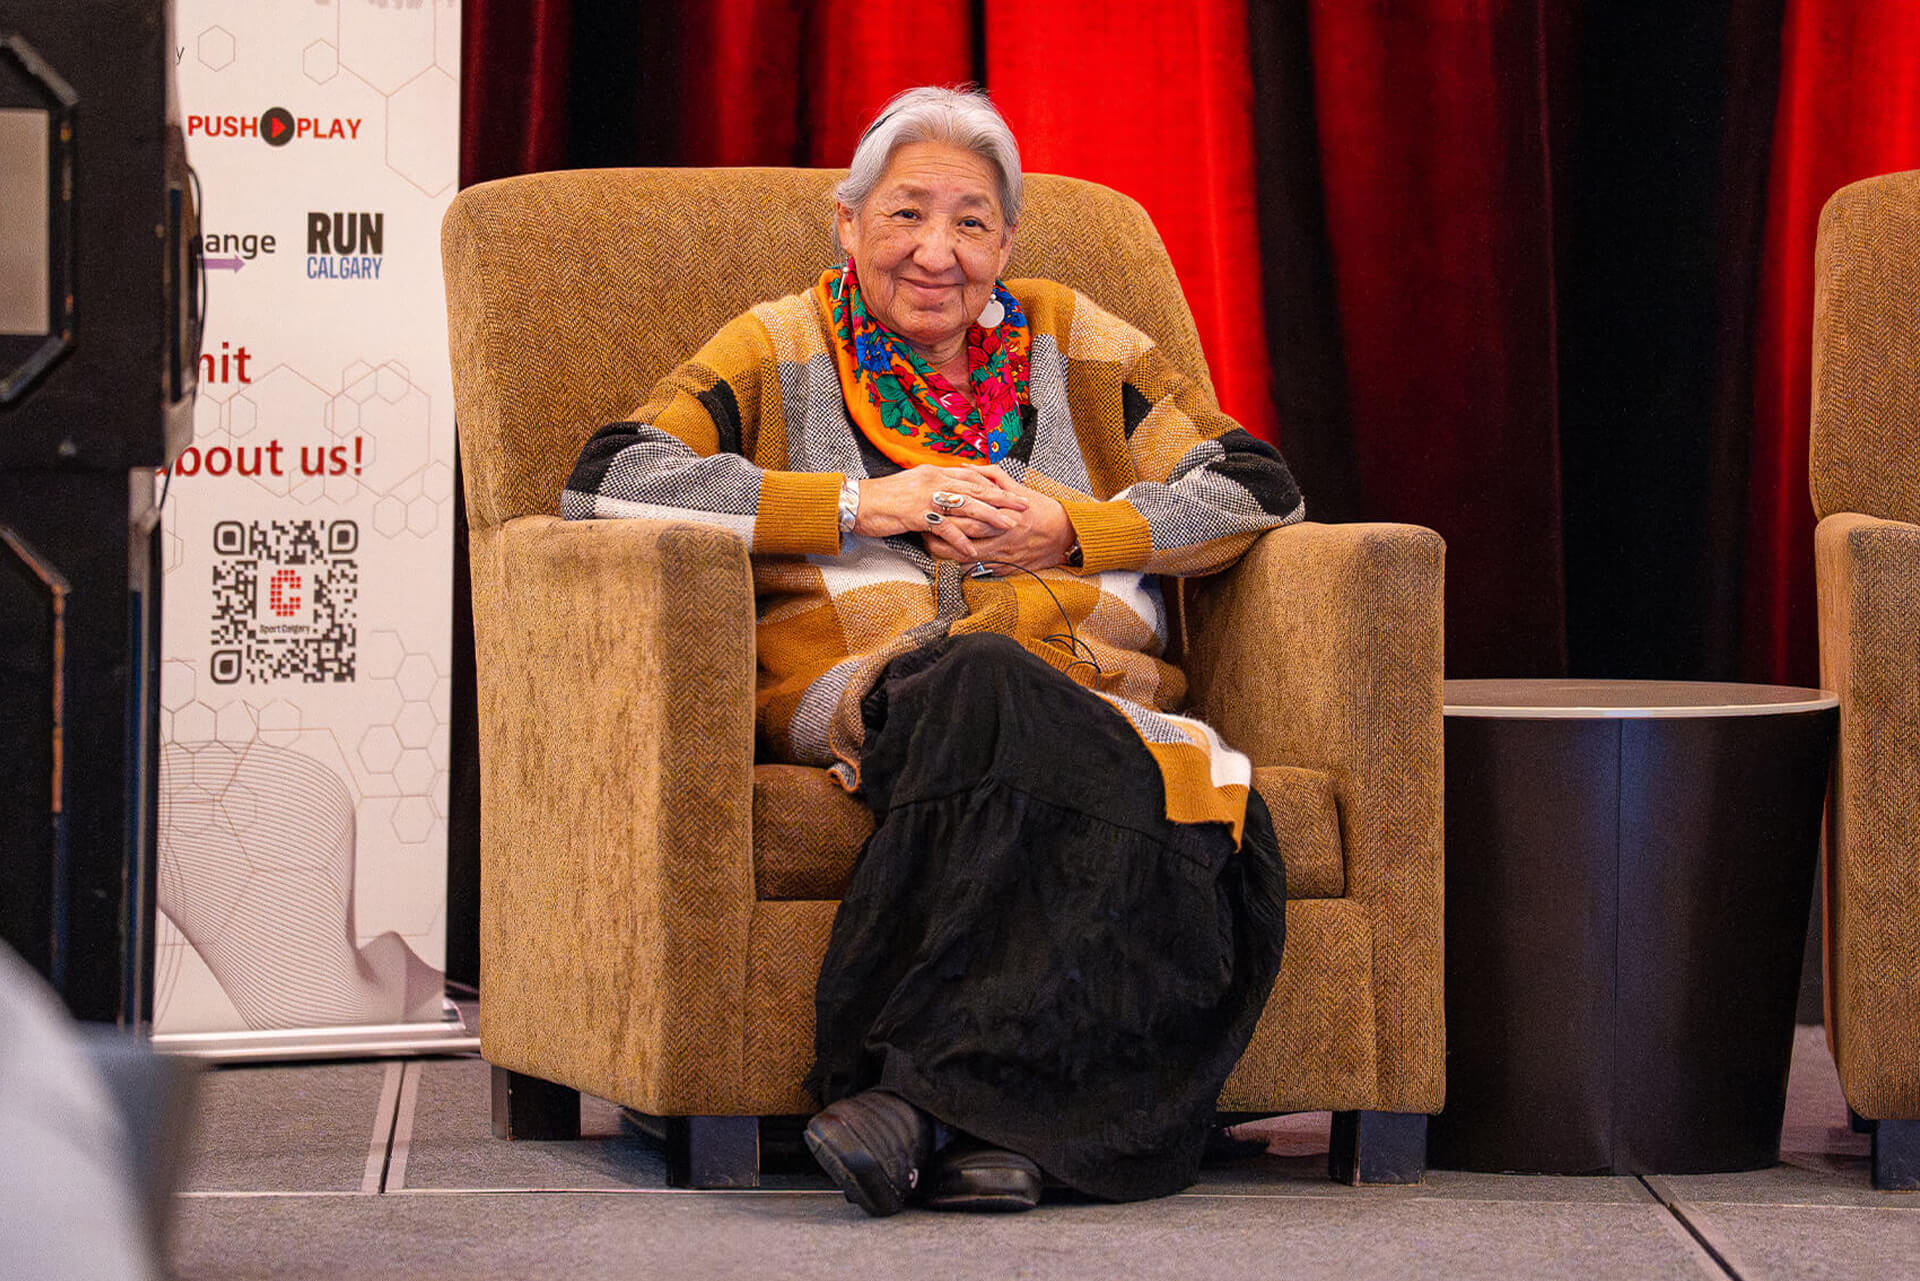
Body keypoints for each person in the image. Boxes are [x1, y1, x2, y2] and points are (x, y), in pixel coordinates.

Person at [563, 85, 1303, 1215]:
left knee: (1110, 759)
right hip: (878, 686)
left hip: (1085, 701)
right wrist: (863, 504)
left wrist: (1077, 527)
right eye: (906, 215)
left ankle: (939, 1119)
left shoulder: (1076, 340)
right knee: (988, 681)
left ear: (1006, 242)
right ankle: (1001, 1113)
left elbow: (1256, 485)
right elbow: (608, 479)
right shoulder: (778, 346)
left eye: (970, 222)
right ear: (847, 223)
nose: (937, 251)